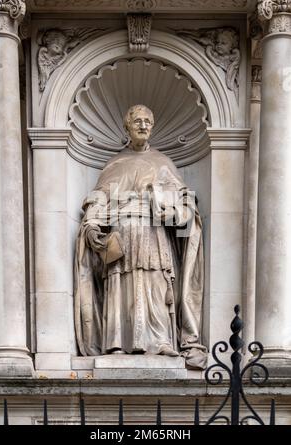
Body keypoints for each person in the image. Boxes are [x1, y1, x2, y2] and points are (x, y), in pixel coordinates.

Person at [74, 104, 207, 369]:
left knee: (157, 283)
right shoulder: (115, 164)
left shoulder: (163, 164)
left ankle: (161, 340)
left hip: (155, 234)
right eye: (137, 121)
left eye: (147, 121)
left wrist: (170, 209)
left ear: (153, 126)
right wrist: (91, 225)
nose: (143, 125)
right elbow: (98, 200)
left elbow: (185, 205)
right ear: (127, 126)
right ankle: (117, 342)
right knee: (121, 285)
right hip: (122, 235)